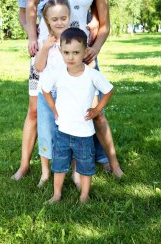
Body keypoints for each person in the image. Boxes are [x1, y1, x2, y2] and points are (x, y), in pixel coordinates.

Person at [26, 0, 124, 178]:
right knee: (53, 113)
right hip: (52, 55)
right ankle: (58, 167)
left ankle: (112, 164)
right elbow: (31, 3)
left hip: (80, 56)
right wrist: (33, 38)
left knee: (95, 113)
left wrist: (95, 48)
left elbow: (104, 26)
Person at [12, 0, 98, 180]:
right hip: (44, 48)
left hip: (74, 44)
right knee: (35, 108)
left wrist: (95, 19)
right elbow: (22, 11)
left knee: (79, 102)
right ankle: (26, 164)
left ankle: (89, 161)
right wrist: (31, 36)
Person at [42, 28, 114, 203]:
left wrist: (97, 110)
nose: (71, 57)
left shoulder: (92, 75)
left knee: (85, 166)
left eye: (76, 52)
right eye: (66, 52)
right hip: (63, 132)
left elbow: (109, 90)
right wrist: (53, 108)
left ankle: (84, 195)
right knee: (59, 165)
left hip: (84, 134)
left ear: (85, 51)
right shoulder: (58, 73)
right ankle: (57, 194)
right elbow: (45, 90)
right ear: (60, 51)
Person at [34, 0, 71, 187]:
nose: (59, 22)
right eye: (55, 19)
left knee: (70, 131)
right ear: (47, 21)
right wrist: (46, 47)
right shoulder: (44, 40)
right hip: (46, 95)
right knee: (46, 131)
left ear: (69, 17)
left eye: (63, 18)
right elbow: (39, 67)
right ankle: (45, 173)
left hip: (68, 95)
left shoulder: (74, 38)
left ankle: (73, 171)